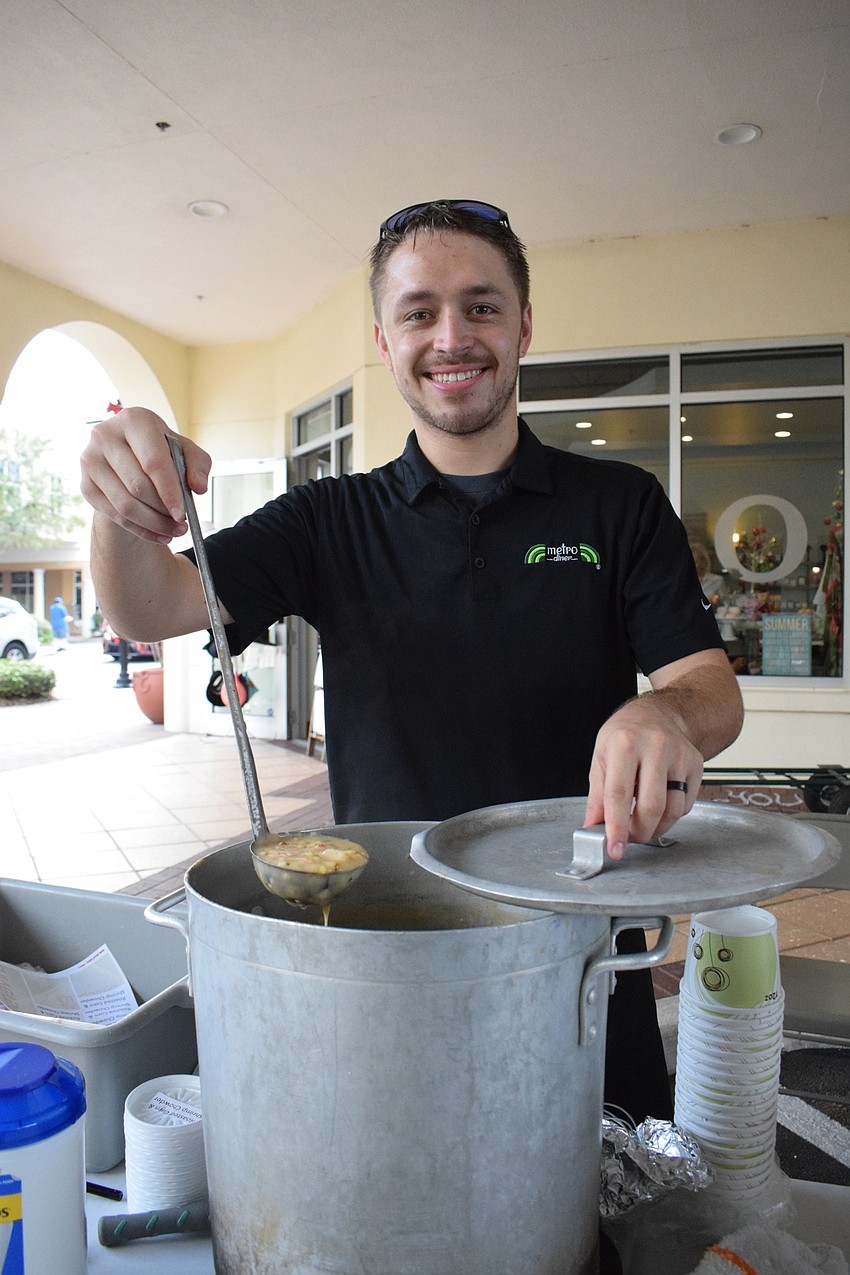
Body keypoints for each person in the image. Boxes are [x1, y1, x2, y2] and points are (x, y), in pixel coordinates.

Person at [80, 199, 743, 1122]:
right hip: (385, 942)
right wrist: (116, 505)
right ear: (386, 344)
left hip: (582, 940)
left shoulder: (618, 505)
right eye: (419, 312)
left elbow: (709, 686)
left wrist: (663, 712)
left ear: (522, 327)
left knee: (611, 1204)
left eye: (481, 306)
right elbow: (148, 604)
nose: (451, 336)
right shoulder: (327, 519)